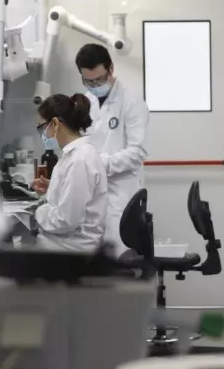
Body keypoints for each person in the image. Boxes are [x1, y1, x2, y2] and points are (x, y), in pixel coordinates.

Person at [76, 43, 149, 255]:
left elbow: (138, 151)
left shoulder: (132, 102)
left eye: (99, 79)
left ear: (111, 69)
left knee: (120, 258)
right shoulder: (84, 102)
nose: (94, 85)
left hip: (121, 197)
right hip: (92, 196)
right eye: (88, 81)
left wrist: (100, 164)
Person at [31, 94, 108, 252]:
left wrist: (37, 212)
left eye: (42, 128)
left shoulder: (79, 159)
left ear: (55, 123)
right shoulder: (75, 154)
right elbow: (76, 196)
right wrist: (54, 187)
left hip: (71, 250)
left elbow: (66, 220)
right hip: (66, 244)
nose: (43, 135)